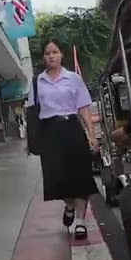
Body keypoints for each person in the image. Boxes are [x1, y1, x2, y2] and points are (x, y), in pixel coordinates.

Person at [30, 40, 98, 239]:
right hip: (49, 132)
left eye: (55, 52)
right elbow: (32, 111)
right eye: (47, 53)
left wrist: (92, 135)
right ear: (43, 57)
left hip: (72, 128)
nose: (51, 56)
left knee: (80, 175)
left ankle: (80, 222)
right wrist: (32, 140)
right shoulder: (37, 82)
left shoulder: (73, 79)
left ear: (61, 55)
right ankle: (69, 205)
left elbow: (83, 108)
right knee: (57, 177)